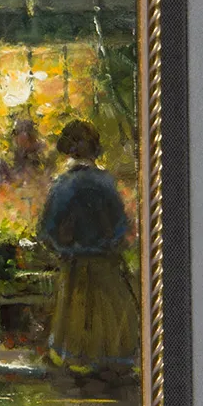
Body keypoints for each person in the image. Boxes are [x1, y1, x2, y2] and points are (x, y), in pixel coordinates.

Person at [39, 119, 139, 384]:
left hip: (75, 266)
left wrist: (64, 249)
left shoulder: (63, 185)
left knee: (76, 317)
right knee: (109, 316)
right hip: (106, 265)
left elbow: (47, 230)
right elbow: (121, 226)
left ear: (68, 150)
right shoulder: (105, 183)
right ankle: (111, 362)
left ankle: (78, 361)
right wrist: (111, 245)